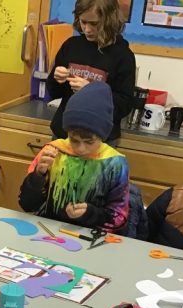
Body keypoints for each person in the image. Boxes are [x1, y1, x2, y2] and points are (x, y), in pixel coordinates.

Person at [19, 82, 130, 232]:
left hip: (89, 237)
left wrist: (89, 213)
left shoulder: (114, 164)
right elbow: (26, 204)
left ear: (103, 136)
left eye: (89, 142)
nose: (81, 149)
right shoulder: (53, 151)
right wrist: (38, 176)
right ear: (67, 133)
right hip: (47, 231)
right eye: (74, 140)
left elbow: (118, 219)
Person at [47, 0, 135, 143]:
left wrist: (92, 92)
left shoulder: (123, 56)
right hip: (64, 135)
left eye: (94, 24)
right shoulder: (71, 46)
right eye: (83, 22)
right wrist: (56, 78)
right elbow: (54, 92)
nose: (87, 29)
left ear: (109, 20)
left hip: (99, 141)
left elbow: (124, 105)